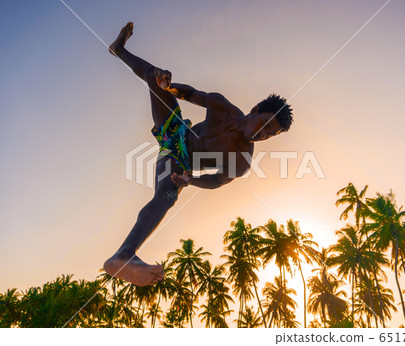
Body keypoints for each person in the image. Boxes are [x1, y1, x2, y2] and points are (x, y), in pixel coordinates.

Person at [104, 22, 293, 286]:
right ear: (254, 111)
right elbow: (192, 94)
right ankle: (118, 50)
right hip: (178, 135)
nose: (262, 135)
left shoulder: (242, 160)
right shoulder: (223, 107)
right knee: (153, 75)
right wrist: (168, 87)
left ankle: (123, 256)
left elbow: (216, 180)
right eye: (263, 125)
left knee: (168, 195)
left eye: (269, 135)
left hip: (184, 163)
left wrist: (191, 180)